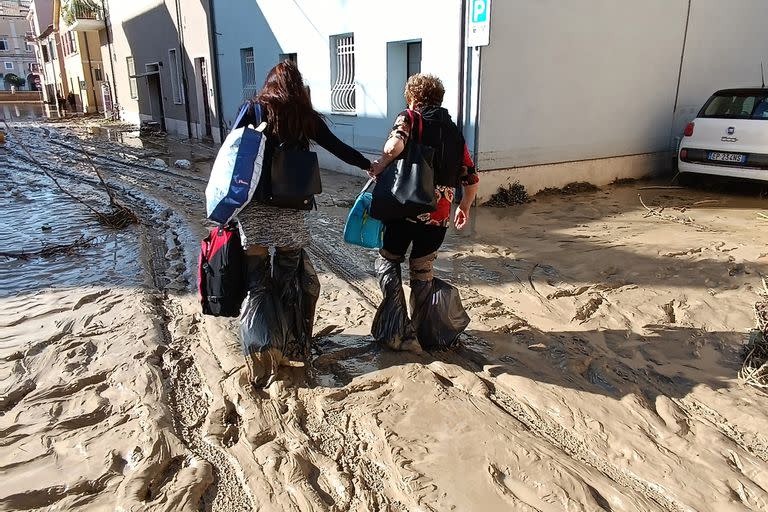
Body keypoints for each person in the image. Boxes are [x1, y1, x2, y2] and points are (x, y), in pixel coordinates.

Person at [237, 61, 371, 385]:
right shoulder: (305, 119)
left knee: (256, 284)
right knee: (287, 280)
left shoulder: (253, 110)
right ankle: (290, 347)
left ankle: (259, 351)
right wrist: (370, 164)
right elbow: (339, 149)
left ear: (269, 84)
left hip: (252, 208)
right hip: (290, 211)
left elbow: (232, 152)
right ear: (299, 88)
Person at [369, 73, 479, 352]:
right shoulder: (454, 132)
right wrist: (463, 207)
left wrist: (381, 162)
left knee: (388, 261)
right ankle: (425, 332)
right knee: (422, 270)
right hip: (439, 215)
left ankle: (397, 332)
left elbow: (393, 146)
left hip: (405, 208)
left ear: (414, 99)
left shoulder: (410, 117)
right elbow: (472, 178)